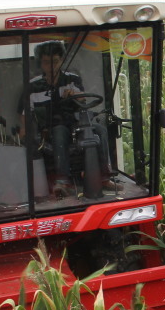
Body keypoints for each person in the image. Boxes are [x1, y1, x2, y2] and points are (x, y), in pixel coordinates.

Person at [19, 40, 117, 196]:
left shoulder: (72, 79)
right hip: (50, 128)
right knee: (59, 132)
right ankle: (63, 180)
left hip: (76, 123)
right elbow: (25, 113)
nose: (51, 66)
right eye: (46, 62)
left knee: (100, 130)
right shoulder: (33, 86)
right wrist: (24, 131)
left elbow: (83, 99)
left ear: (62, 60)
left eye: (55, 61)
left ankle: (104, 176)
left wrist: (74, 95)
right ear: (40, 64)